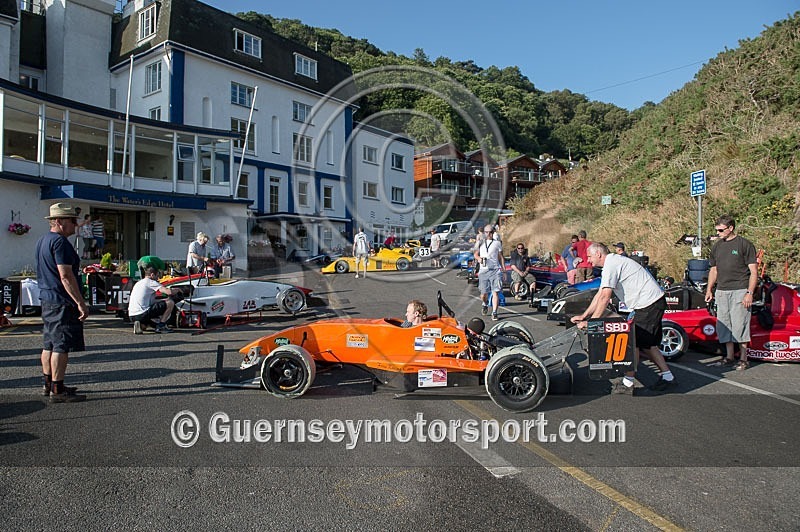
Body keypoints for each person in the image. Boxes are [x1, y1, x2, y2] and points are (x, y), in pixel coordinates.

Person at [570, 242, 677, 394]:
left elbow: (605, 298)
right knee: (649, 345)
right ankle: (668, 377)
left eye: (589, 256)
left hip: (648, 304)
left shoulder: (611, 264)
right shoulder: (612, 263)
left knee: (633, 344)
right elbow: (600, 294)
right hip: (650, 303)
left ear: (598, 254)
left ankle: (628, 384)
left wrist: (592, 322)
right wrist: (584, 315)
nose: (588, 260)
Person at [35, 202, 89, 403]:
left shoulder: (43, 241)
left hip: (48, 298)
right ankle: (57, 389)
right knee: (61, 345)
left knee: (48, 343)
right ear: (58, 222)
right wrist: (80, 302)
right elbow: (65, 275)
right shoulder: (60, 243)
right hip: (61, 300)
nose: (75, 225)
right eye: (71, 221)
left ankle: (48, 383)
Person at [706, 215, 758, 371]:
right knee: (724, 324)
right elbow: (713, 270)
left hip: (740, 289)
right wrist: (709, 289)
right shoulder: (717, 246)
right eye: (717, 230)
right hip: (722, 290)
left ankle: (743, 358)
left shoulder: (744, 244)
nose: (719, 233)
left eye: (721, 230)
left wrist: (749, 292)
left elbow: (753, 271)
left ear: (731, 228)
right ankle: (729, 356)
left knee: (740, 324)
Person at [128, 266, 177, 334]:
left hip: (132, 315)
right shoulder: (150, 282)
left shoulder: (139, 283)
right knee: (170, 303)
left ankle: (141, 324)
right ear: (152, 275)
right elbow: (169, 292)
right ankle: (161, 326)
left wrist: (164, 300)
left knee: (146, 325)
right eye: (157, 276)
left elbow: (151, 302)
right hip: (143, 313)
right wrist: (178, 290)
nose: (158, 278)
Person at [474, 224, 505, 321]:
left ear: (493, 232)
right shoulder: (480, 242)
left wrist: (504, 270)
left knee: (495, 292)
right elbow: (475, 254)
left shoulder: (497, 243)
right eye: (486, 232)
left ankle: (494, 312)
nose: (488, 234)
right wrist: (479, 259)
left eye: (490, 232)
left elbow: (501, 257)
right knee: (483, 294)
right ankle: (485, 303)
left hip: (495, 270)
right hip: (484, 270)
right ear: (484, 233)